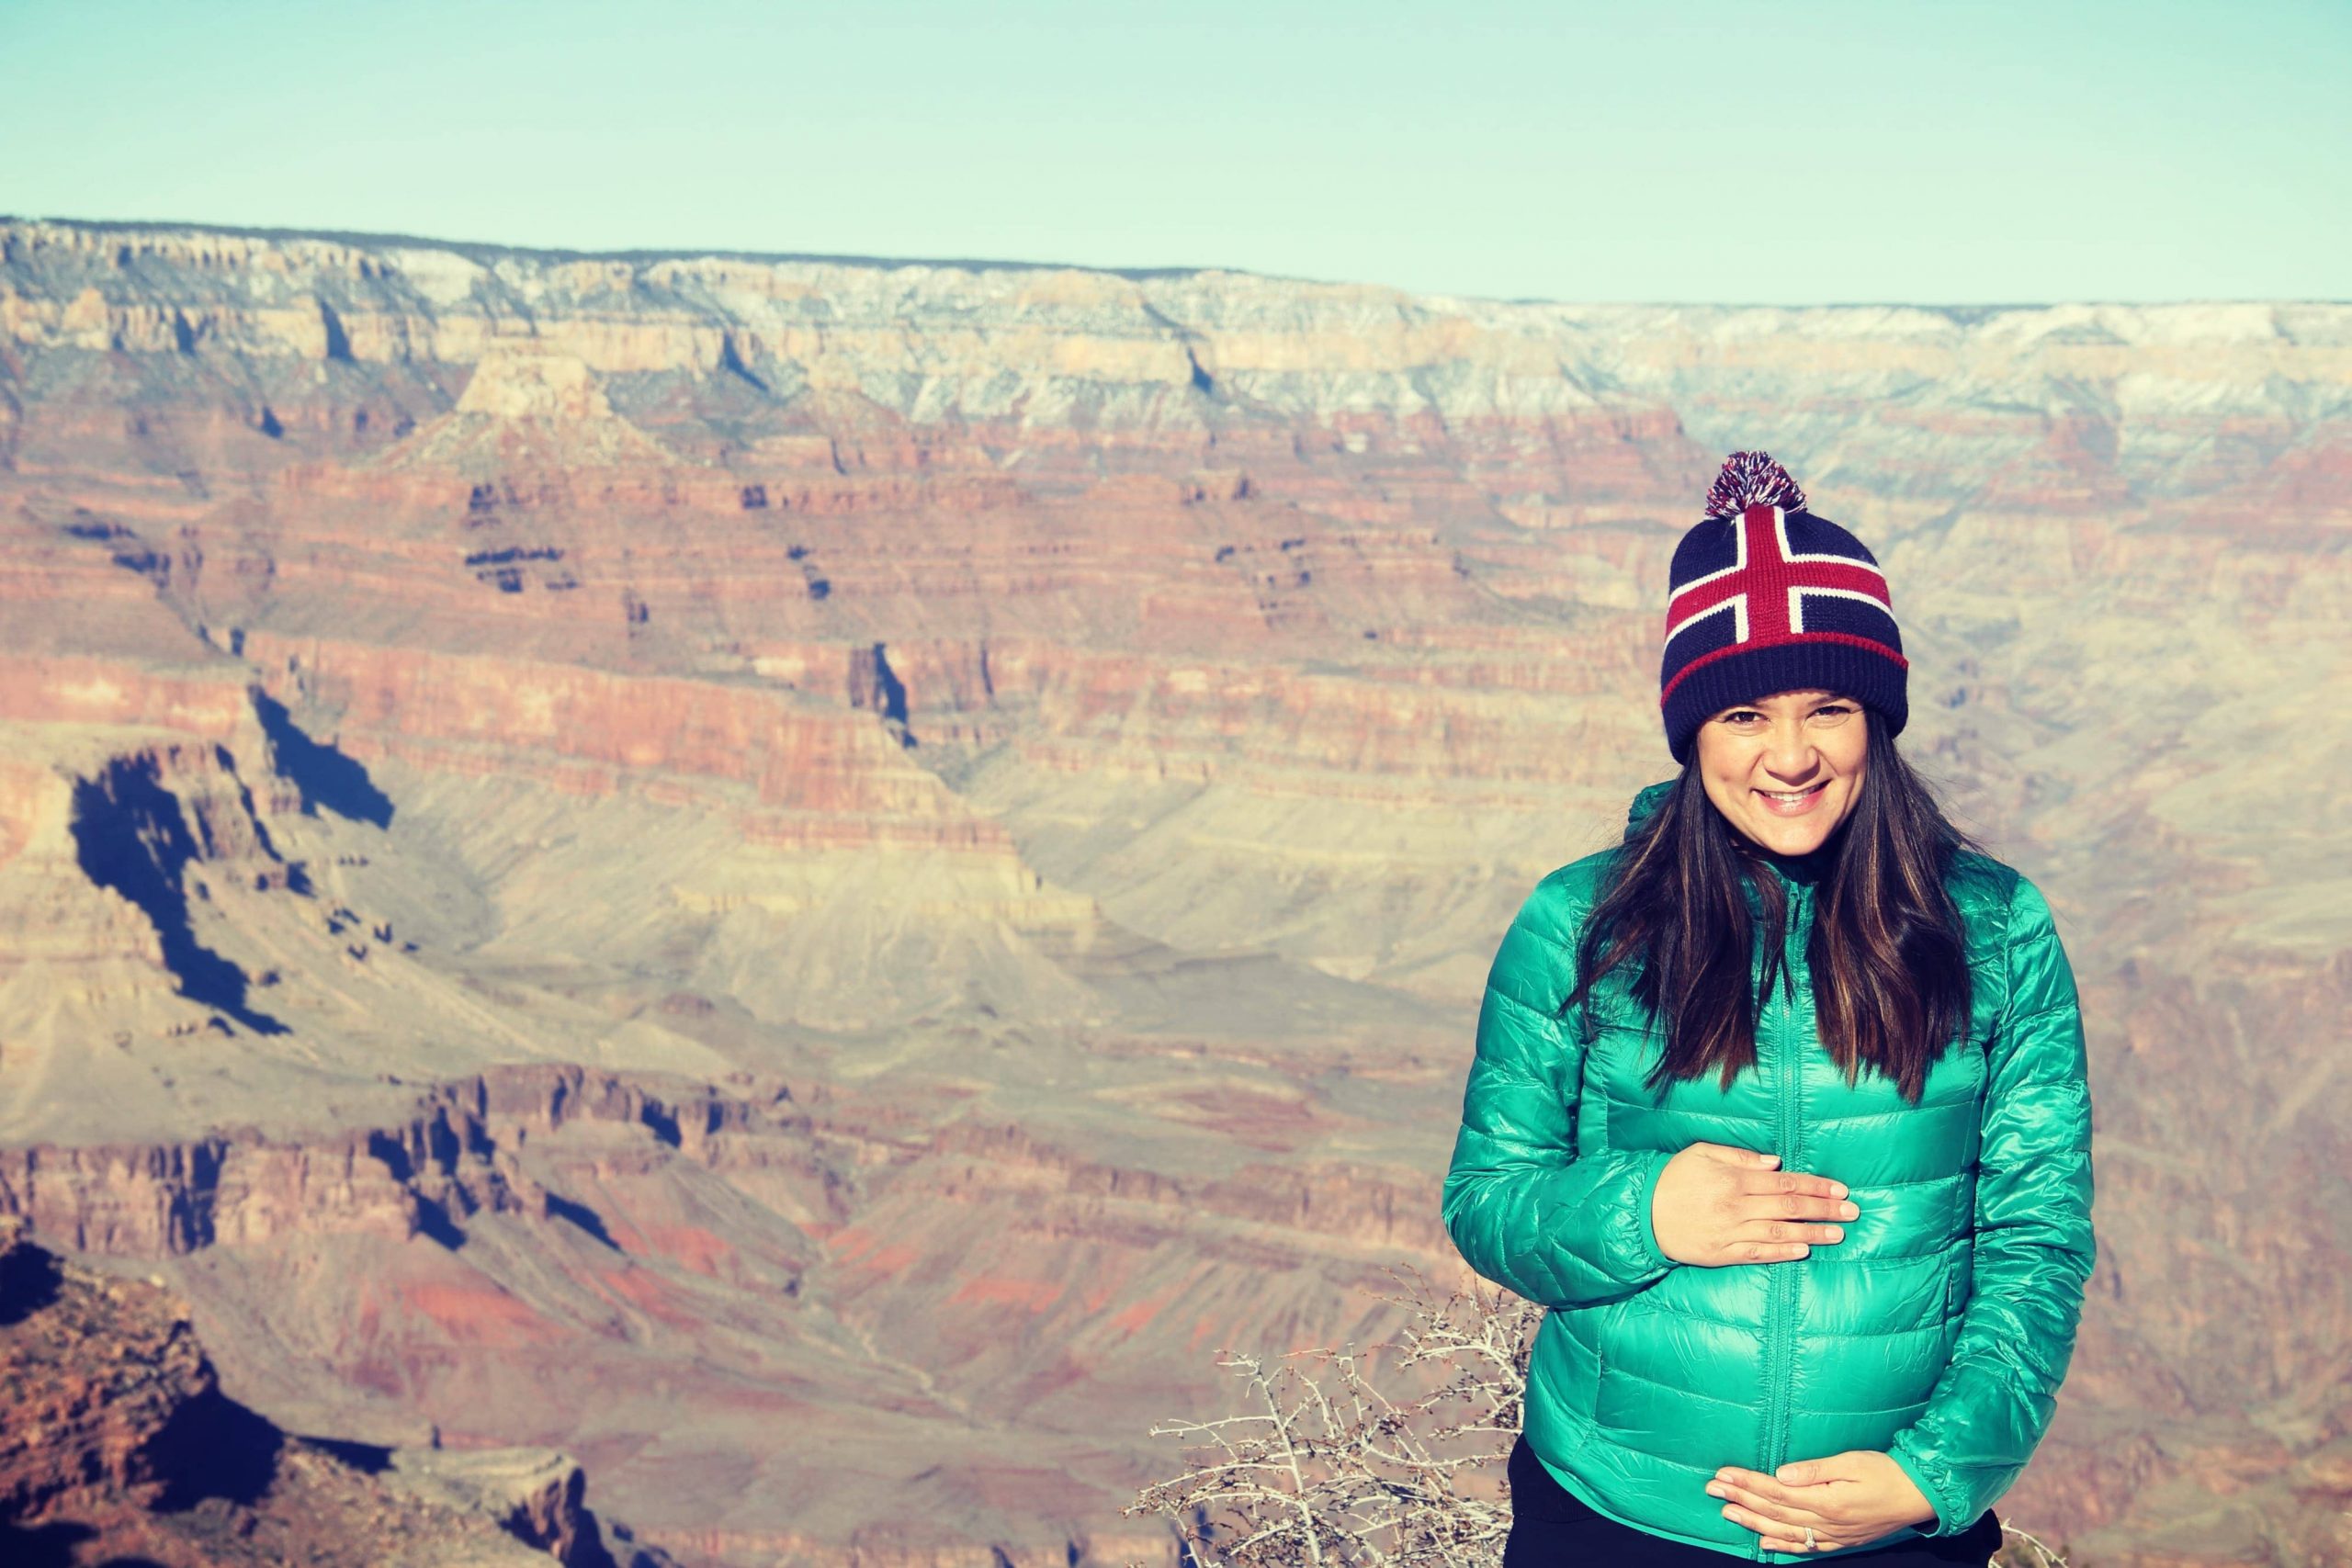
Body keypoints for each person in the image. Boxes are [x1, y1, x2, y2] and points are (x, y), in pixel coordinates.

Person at [1441, 452, 2097, 1564]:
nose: (1788, 756)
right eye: (1743, 713)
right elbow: (1488, 1204)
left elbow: (2037, 1238)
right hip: (1616, 1514)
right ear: (1691, 730)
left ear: (1874, 721)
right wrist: (1643, 1210)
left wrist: (1929, 1475)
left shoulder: (1993, 929)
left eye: (1828, 709)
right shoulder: (1582, 923)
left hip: (1887, 1530)